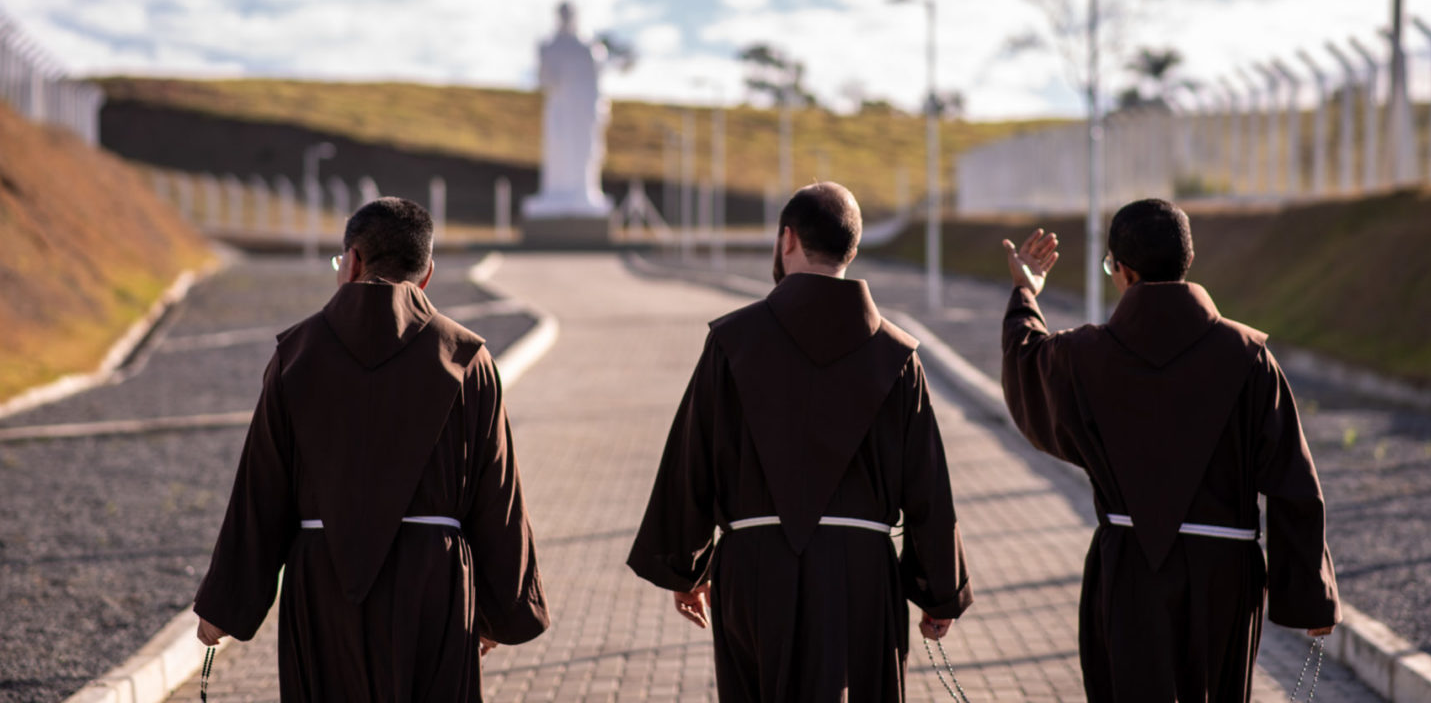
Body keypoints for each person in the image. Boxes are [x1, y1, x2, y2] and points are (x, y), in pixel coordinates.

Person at [628, 181, 972, 702]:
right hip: (862, 574)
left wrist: (685, 564)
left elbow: (692, 457)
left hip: (755, 566)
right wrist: (939, 590)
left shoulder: (732, 341)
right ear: (851, 249)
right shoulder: (898, 357)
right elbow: (927, 483)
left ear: (787, 239)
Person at [193, 196, 549, 700]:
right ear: (426, 275)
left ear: (353, 262)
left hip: (323, 587)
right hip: (434, 586)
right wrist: (499, 609)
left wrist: (226, 603)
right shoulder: (467, 358)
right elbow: (498, 493)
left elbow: (262, 487)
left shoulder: (296, 354)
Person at [1000, 198, 1338, 702]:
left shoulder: (1083, 354)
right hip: (1225, 574)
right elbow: (1294, 482)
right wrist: (1308, 598)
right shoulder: (1249, 359)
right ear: (1189, 260)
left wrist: (1026, 291)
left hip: (1129, 570)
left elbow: (1028, 363)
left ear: (1124, 272)